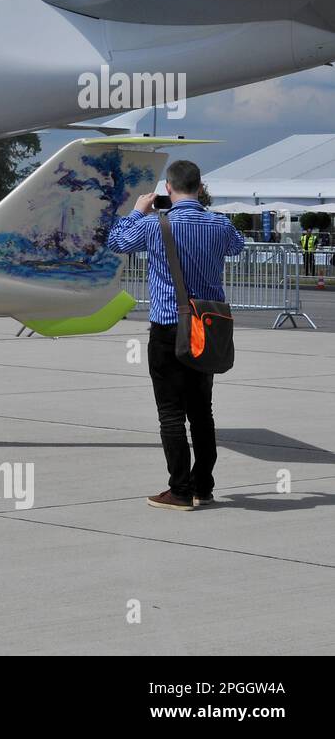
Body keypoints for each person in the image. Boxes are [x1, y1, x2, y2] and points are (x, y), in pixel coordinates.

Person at [108, 162, 247, 511]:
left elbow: (117, 241)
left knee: (171, 413)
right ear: (200, 188)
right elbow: (237, 247)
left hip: (169, 327)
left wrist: (138, 212)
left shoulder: (157, 224)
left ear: (168, 188)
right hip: (207, 326)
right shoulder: (219, 224)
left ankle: (180, 490)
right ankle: (204, 485)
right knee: (203, 412)